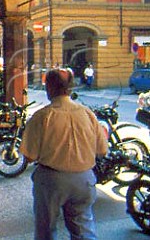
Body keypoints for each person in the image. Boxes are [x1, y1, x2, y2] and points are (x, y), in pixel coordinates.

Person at [19, 68, 108, 240]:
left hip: (51, 181)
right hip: (84, 180)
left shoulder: (42, 116)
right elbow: (102, 150)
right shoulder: (87, 114)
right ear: (70, 88)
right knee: (83, 230)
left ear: (49, 87)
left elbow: (29, 156)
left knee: (46, 230)